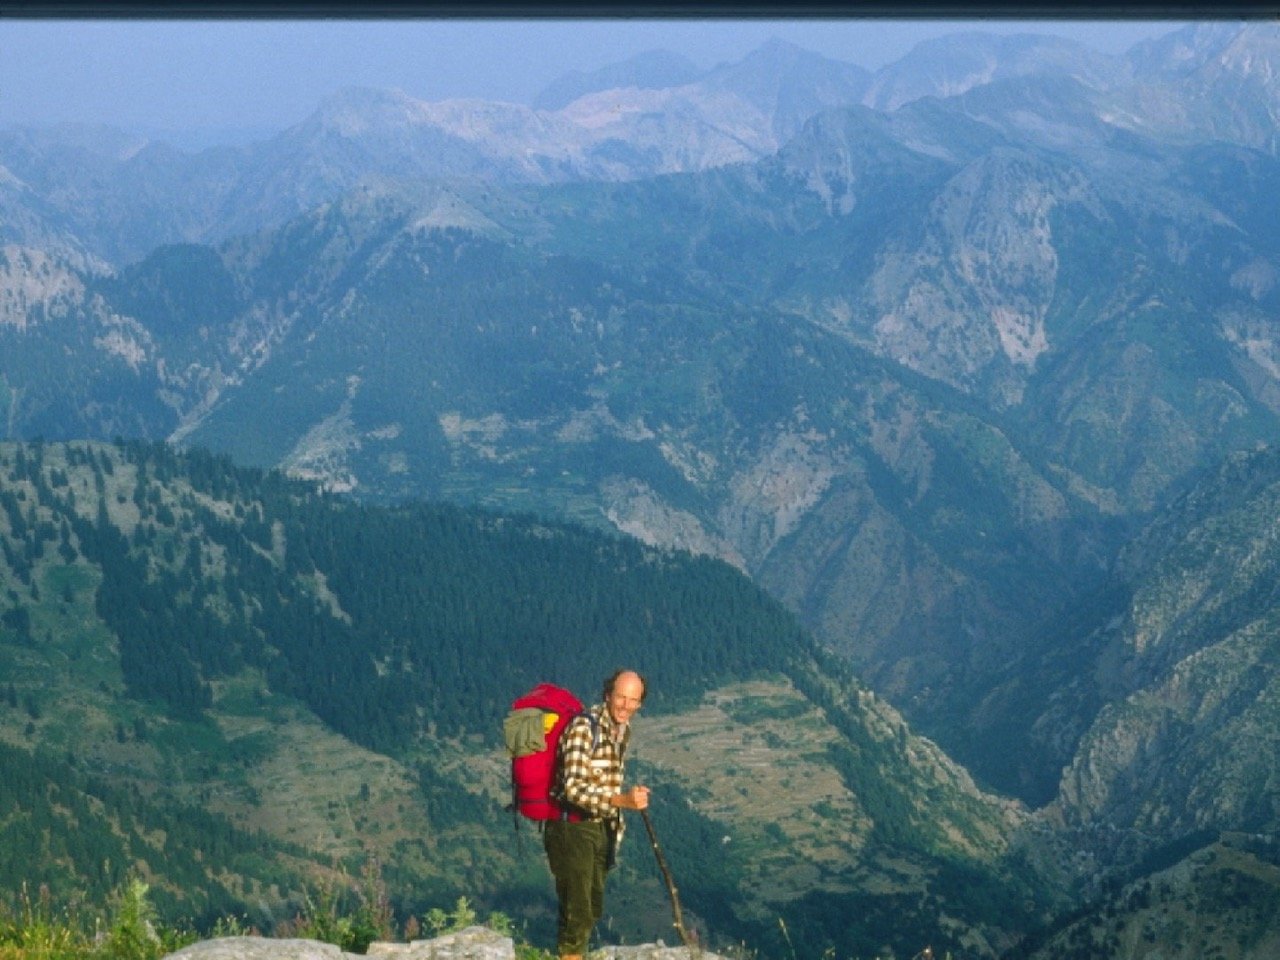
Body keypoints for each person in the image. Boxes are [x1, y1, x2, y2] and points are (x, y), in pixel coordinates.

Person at [543, 668, 650, 960]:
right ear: (608, 695)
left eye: (633, 700)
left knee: (591, 906)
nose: (626, 706)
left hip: (602, 827)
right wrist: (621, 801)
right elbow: (573, 788)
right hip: (572, 827)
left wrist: (620, 806)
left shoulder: (621, 730)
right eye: (620, 698)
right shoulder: (583, 728)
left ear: (640, 703)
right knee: (577, 911)